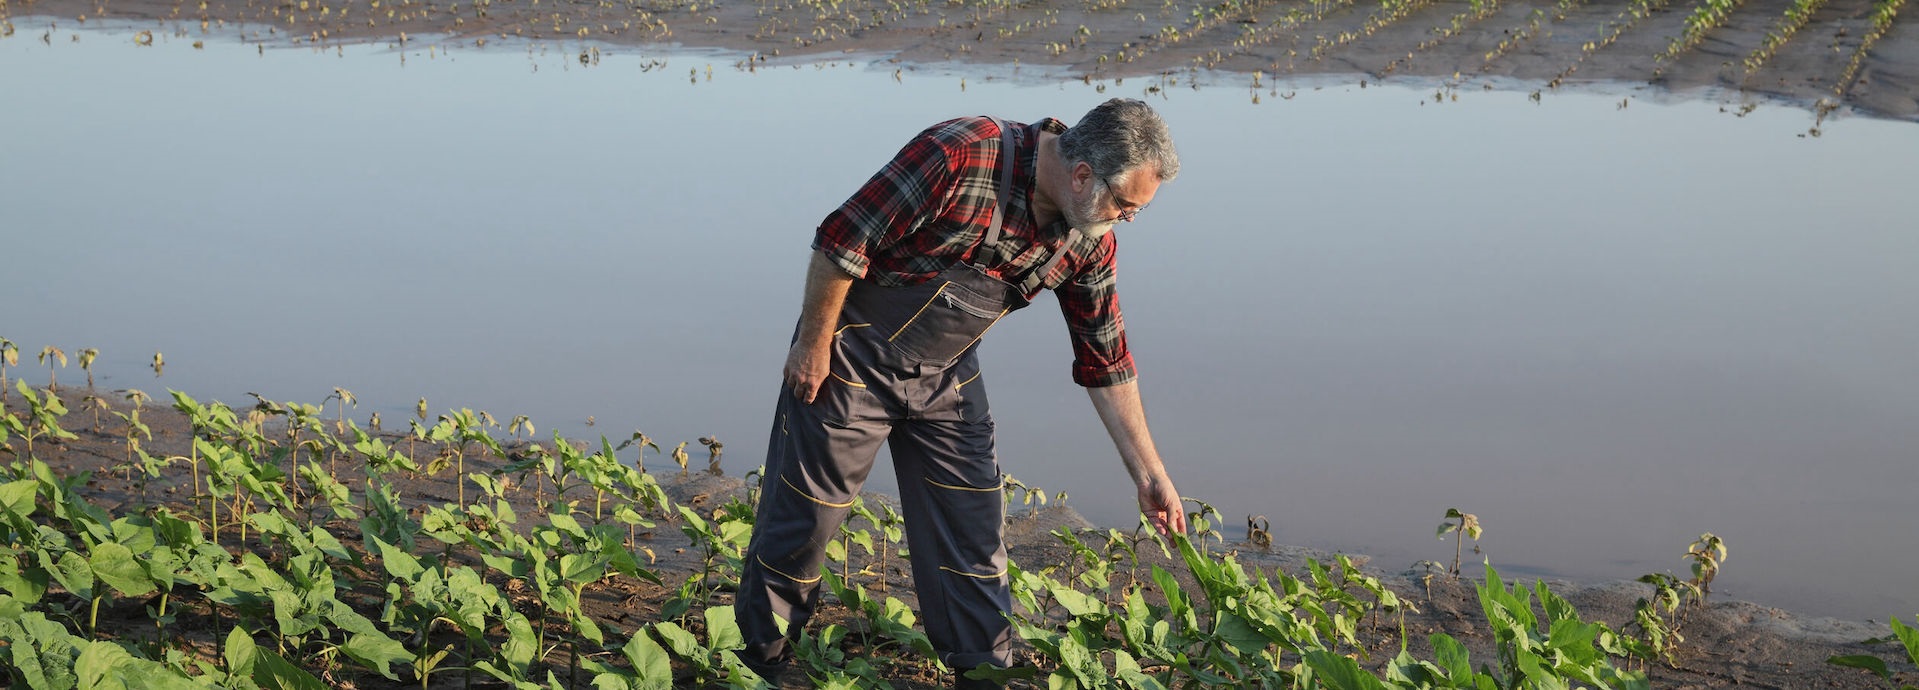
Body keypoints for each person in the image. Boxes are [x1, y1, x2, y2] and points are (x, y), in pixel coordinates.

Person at [735, 98, 1188, 689]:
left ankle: (983, 676)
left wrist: (1148, 471)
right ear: (1082, 176)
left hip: (945, 372)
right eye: (1126, 205)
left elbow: (1105, 358)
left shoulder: (1087, 237)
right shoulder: (963, 153)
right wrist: (813, 345)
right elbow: (841, 242)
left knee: (973, 535)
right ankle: (757, 662)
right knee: (804, 521)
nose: (1127, 220)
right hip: (851, 353)